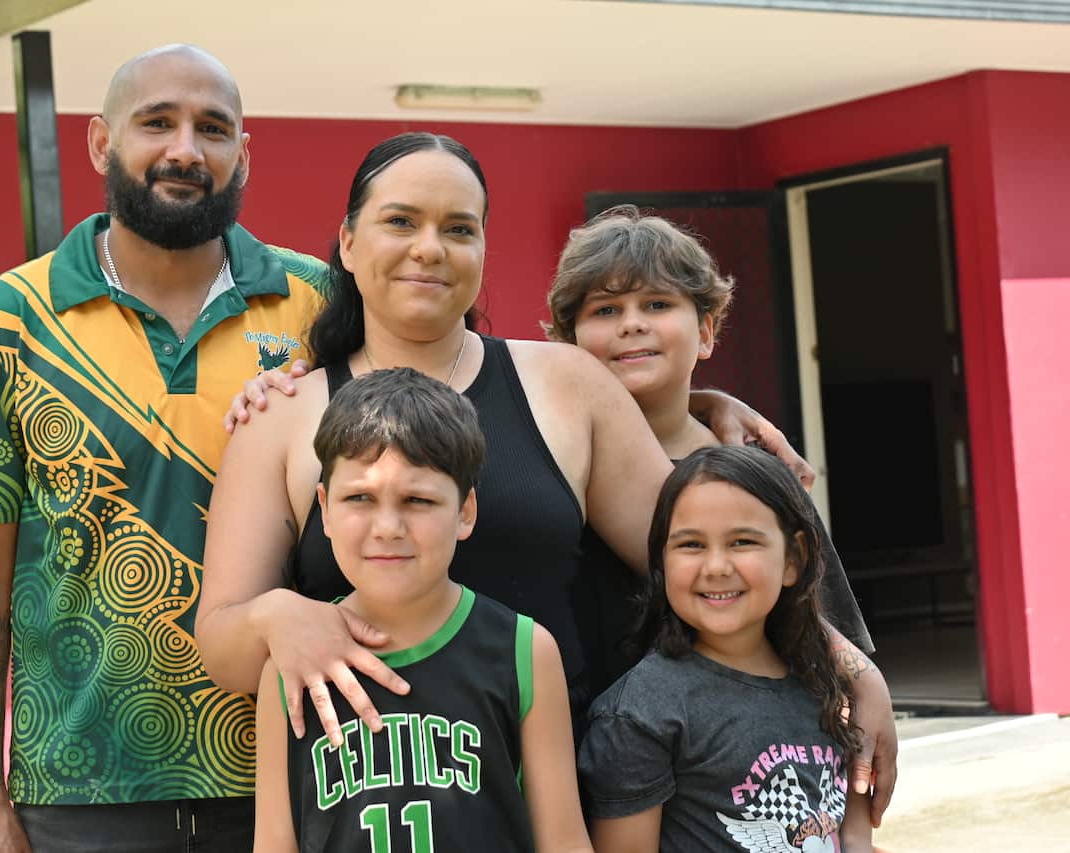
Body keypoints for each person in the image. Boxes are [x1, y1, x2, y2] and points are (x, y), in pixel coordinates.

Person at [194, 132, 837, 753]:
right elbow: (222, 637)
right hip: (368, 803)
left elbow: (699, 557)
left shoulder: (570, 385)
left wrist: (848, 671)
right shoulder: (280, 417)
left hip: (564, 793)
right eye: (400, 222)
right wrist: (275, 617)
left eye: (458, 228)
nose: (429, 248)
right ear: (349, 244)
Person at [0, 45, 327, 852]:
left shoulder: (318, 305)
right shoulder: (11, 318)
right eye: (158, 122)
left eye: (212, 128)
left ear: (242, 155)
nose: (186, 148)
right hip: (78, 794)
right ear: (100, 144)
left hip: (296, 771)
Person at [544, 208, 894, 823]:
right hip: (602, 774)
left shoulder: (754, 471)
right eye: (604, 310)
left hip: (753, 777)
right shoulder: (550, 467)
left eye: (657, 305)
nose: (631, 325)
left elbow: (824, 625)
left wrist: (868, 686)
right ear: (568, 344)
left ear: (706, 332)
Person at [254, 367, 591, 852]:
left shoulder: (525, 650)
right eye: (360, 498)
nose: (388, 527)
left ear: (465, 512)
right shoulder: (289, 666)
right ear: (324, 510)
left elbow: (563, 842)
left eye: (417, 499)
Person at [578, 445, 874, 852]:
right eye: (691, 545)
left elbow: (855, 836)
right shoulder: (640, 713)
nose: (716, 566)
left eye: (741, 541)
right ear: (662, 561)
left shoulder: (824, 685)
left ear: (794, 558)